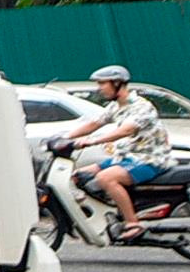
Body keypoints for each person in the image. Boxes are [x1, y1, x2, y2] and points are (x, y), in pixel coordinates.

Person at [58, 65, 170, 237]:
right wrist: (65, 137)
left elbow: (125, 130)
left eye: (102, 83)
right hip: (125, 158)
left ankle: (133, 224)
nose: (99, 88)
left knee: (106, 178)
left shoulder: (141, 107)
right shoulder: (115, 106)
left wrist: (92, 141)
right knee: (76, 175)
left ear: (117, 83)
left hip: (149, 160)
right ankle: (109, 210)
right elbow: (95, 123)